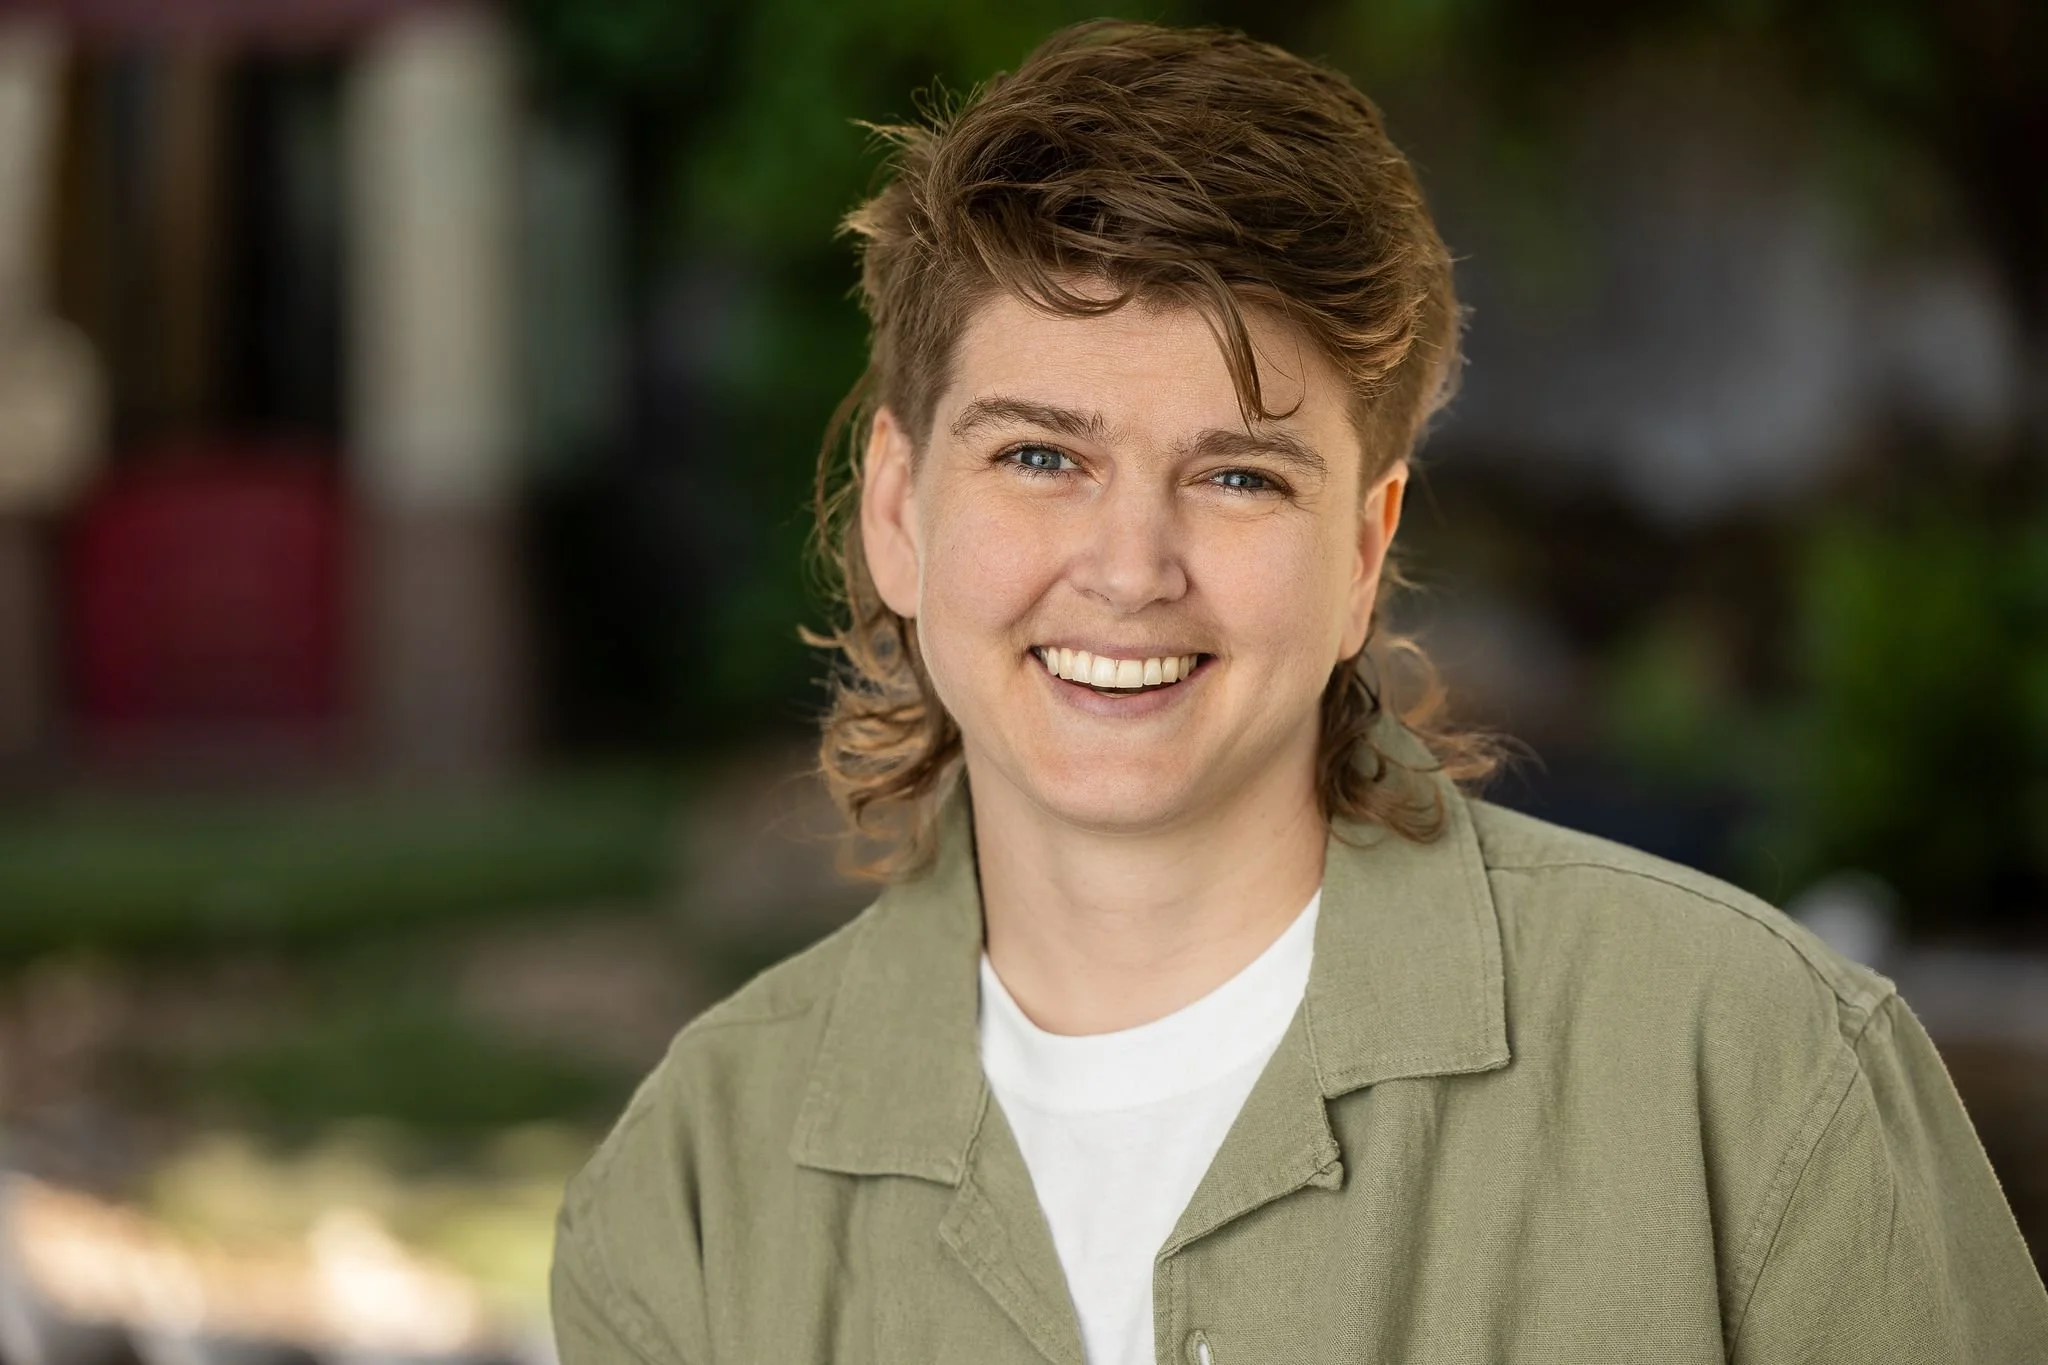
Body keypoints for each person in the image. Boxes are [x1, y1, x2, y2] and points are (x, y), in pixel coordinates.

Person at [551, 20, 2048, 1365]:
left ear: (1362, 553)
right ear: (898, 508)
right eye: (1040, 456)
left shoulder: (1750, 1073)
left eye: (1239, 475)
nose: (1130, 569)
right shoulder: (699, 1183)